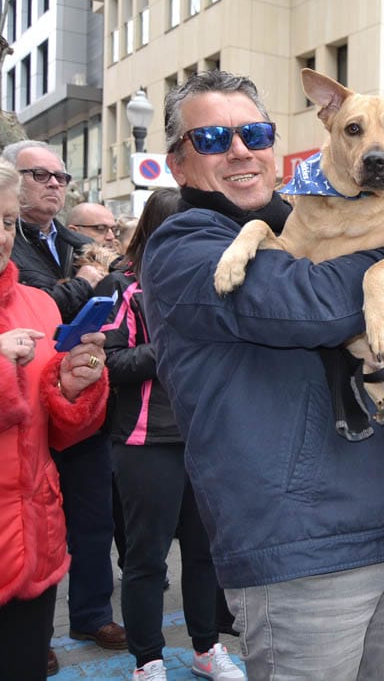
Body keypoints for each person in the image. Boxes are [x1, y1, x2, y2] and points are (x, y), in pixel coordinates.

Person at [141, 69, 384, 679]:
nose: (240, 150)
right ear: (178, 166)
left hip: (377, 528)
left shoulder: (309, 217)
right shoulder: (185, 245)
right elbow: (308, 304)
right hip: (297, 547)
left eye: (254, 133)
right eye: (211, 140)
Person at [95, 188, 244, 681]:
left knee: (206, 555)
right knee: (146, 561)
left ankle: (207, 648)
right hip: (146, 444)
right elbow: (111, 364)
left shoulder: (215, 284)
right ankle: (148, 660)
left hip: (207, 441)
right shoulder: (127, 290)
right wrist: (171, 346)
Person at [5, 140, 127, 656]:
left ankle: (88, 616)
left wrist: (75, 387)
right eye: (42, 175)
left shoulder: (34, 302)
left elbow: (56, 425)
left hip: (32, 542)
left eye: (7, 222)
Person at [2, 140, 105, 321]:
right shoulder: (5, 246)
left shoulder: (84, 244)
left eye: (60, 177)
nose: (54, 183)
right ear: (11, 180)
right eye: (40, 175)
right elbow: (26, 311)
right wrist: (82, 285)